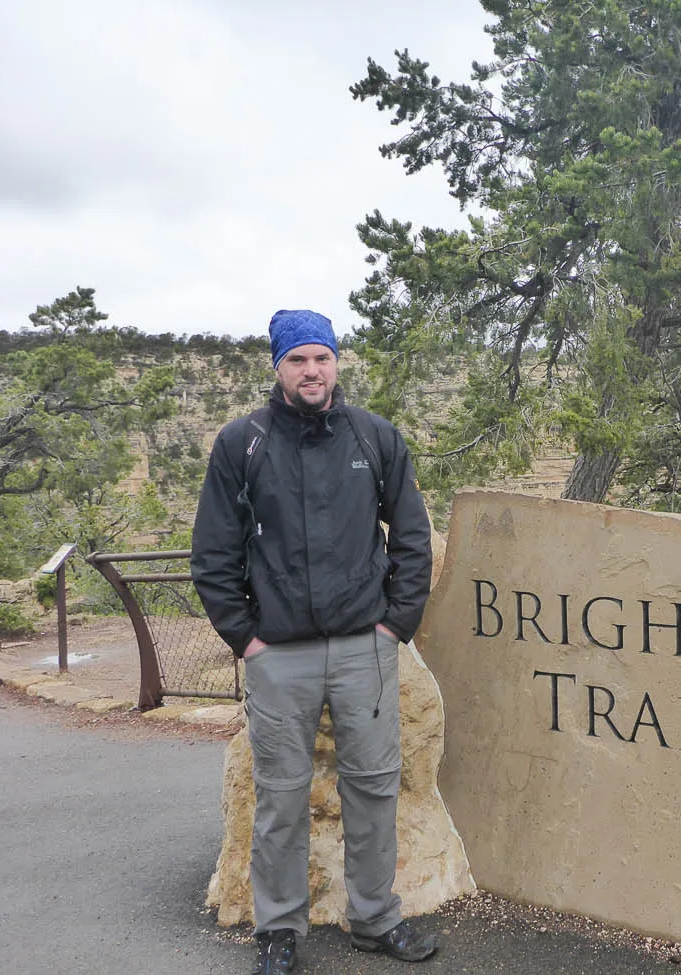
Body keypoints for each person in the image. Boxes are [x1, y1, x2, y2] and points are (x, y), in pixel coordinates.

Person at [191, 309, 436, 975]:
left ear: (337, 362)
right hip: (279, 655)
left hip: (365, 646)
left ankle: (377, 917)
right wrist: (246, 639)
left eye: (321, 358)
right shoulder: (242, 443)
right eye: (297, 359)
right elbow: (212, 553)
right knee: (280, 795)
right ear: (278, 366)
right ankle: (278, 929)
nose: (311, 370)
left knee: (373, 786)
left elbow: (411, 536)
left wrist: (394, 625)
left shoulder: (374, 436)